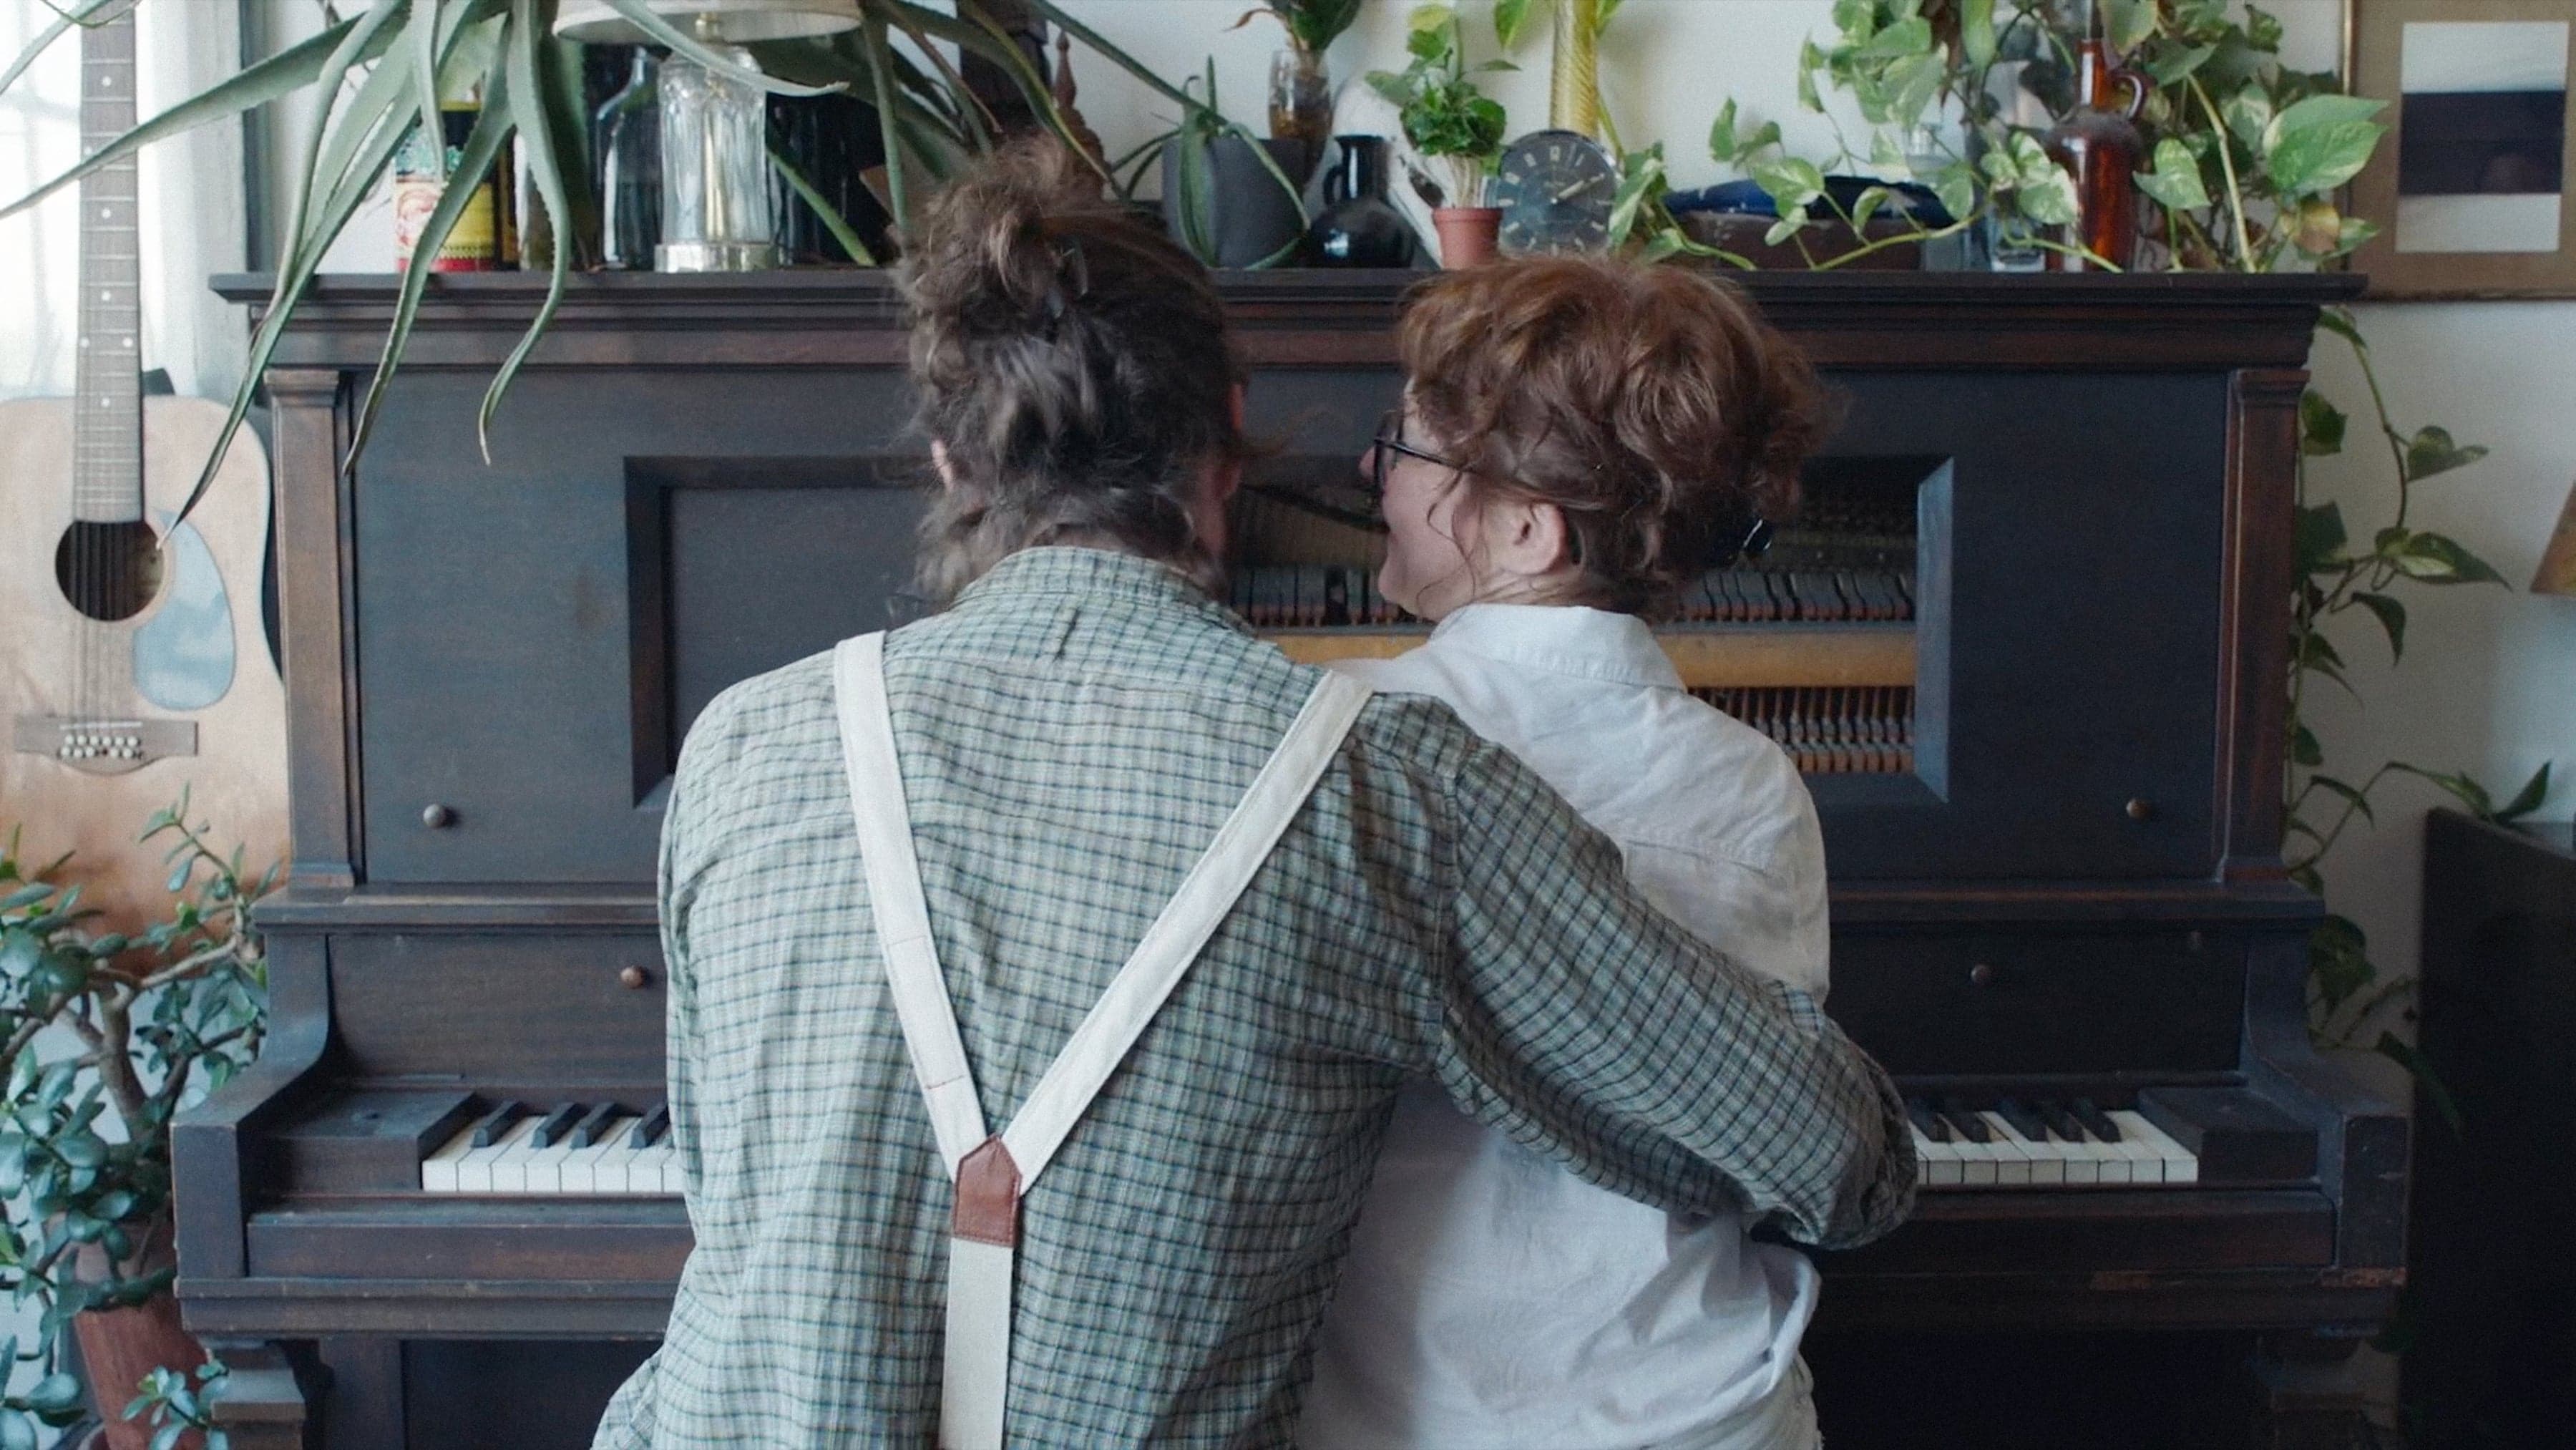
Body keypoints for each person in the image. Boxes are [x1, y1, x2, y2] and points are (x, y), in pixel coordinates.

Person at [590, 141, 1912, 1450]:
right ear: (1228, 440)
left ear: (948, 460)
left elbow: (727, 1189)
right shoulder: (1370, 782)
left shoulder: (740, 742)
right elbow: (1823, 1155)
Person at [1299, 256, 1843, 1450]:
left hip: (1404, 1421)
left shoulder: (1329, 740)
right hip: (1701, 1414)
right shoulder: (1758, 786)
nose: (1375, 476)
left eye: (1407, 452)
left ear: (1529, 528)